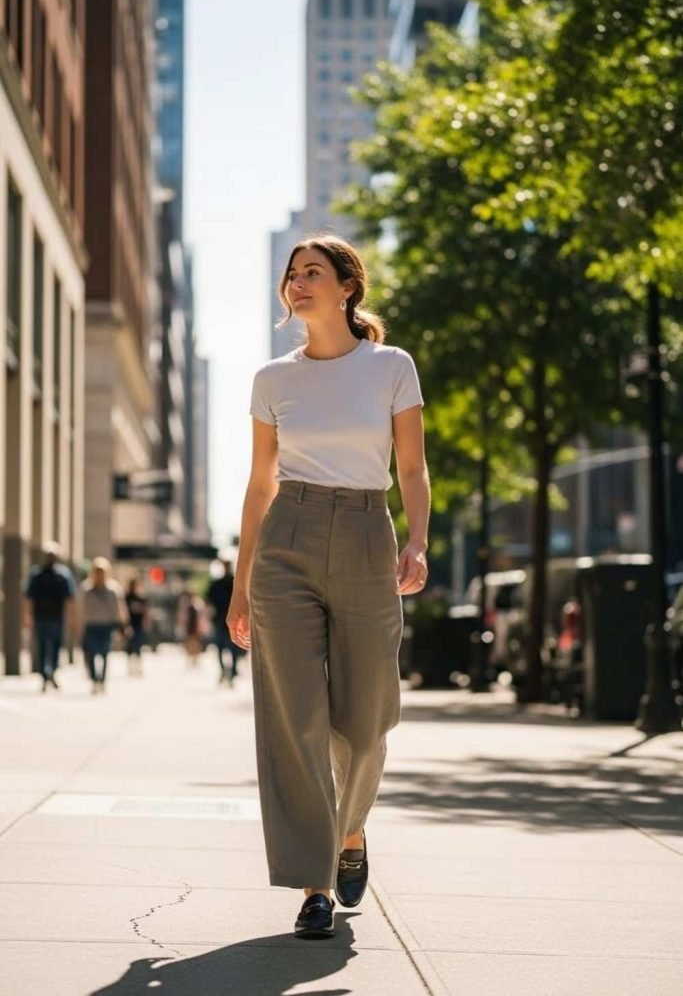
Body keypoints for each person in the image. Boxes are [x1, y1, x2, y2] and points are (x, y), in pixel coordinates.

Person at [227, 234, 430, 940]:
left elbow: (411, 468)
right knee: (295, 720)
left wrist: (417, 540)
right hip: (287, 539)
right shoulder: (272, 379)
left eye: (312, 272)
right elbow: (260, 484)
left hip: (368, 534)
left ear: (348, 287)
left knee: (366, 720)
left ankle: (350, 830)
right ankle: (314, 882)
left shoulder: (390, 366)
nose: (298, 283)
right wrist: (240, 584)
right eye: (291, 274)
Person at [23, 541, 77, 691]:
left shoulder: (63, 575)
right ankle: (44, 675)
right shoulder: (37, 574)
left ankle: (52, 672)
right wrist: (27, 616)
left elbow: (70, 599)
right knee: (41, 647)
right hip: (40, 617)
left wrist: (72, 618)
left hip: (57, 618)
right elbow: (29, 597)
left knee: (56, 647)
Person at [78, 558, 128, 694]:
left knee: (105, 653)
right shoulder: (86, 588)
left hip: (106, 625)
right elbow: (80, 608)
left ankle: (102, 680)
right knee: (90, 653)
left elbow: (120, 608)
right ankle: (94, 679)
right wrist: (78, 624)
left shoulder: (113, 589)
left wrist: (123, 624)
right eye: (97, 572)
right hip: (91, 624)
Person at [206, 557, 245, 685]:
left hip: (232, 620)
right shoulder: (219, 584)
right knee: (220, 647)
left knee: (232, 647)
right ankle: (225, 671)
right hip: (220, 620)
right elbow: (209, 601)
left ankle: (232, 672)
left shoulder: (234, 583)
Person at [124, 577, 149, 674]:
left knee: (138, 645)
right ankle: (130, 666)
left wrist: (145, 622)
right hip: (130, 624)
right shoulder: (127, 598)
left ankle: (138, 666)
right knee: (129, 646)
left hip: (138, 625)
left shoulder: (141, 598)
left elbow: (145, 612)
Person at [177, 588, 206, 667]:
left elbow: (201, 616)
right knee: (189, 642)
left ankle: (195, 658)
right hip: (189, 626)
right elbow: (182, 616)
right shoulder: (185, 603)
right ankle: (191, 657)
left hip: (196, 626)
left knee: (195, 643)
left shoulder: (198, 603)